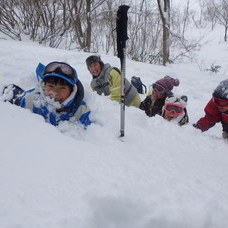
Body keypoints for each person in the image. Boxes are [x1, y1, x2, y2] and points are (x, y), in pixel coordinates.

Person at [3, 62, 91, 127]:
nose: (55, 93)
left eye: (62, 88)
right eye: (51, 86)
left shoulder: (81, 112)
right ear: (44, 86)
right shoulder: (31, 100)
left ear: (72, 91)